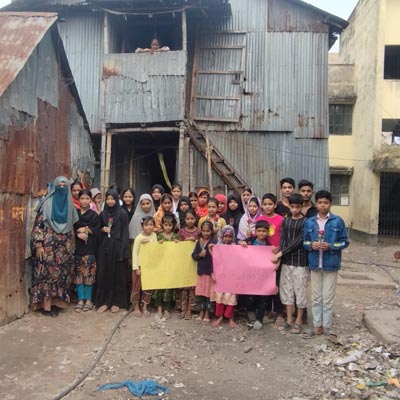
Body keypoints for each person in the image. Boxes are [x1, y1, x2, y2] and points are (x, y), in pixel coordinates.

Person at [303, 190, 349, 338]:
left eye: (326, 203)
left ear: (330, 204)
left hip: (331, 263)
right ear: (316, 203)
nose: (323, 205)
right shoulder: (310, 222)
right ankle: (317, 326)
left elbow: (344, 241)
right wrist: (312, 245)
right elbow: (305, 241)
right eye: (320, 202)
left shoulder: (338, 221)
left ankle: (327, 327)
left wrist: (332, 246)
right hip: (315, 263)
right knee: (316, 297)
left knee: (328, 297)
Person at [30, 176, 78, 317]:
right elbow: (38, 226)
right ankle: (45, 306)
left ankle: (57, 303)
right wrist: (39, 245)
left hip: (64, 249)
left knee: (61, 276)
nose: (62, 187)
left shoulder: (70, 206)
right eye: (59, 185)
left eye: (65, 185)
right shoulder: (46, 204)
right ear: (55, 186)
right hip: (48, 247)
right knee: (46, 275)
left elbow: (74, 227)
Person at [272, 194, 308, 334]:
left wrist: (281, 253)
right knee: (286, 292)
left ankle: (298, 321)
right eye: (292, 206)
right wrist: (280, 256)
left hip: (300, 262)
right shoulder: (285, 221)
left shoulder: (306, 222)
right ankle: (288, 320)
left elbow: (298, 242)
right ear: (289, 206)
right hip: (286, 262)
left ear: (301, 207)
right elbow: (283, 240)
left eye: (297, 207)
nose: (294, 209)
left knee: (300, 292)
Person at [95, 189, 130, 313]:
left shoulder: (123, 214)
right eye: (108, 199)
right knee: (104, 274)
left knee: (117, 275)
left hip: (118, 247)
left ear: (116, 199)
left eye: (112, 199)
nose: (110, 201)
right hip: (104, 249)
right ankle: (104, 301)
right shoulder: (102, 214)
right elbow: (97, 231)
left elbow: (125, 232)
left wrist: (123, 251)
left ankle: (117, 302)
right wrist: (101, 230)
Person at [257, 193, 285, 325]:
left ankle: (279, 312)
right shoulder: (260, 219)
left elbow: (285, 239)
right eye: (265, 204)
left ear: (275, 205)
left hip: (277, 256)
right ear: (261, 205)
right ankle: (267, 310)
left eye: (270, 204)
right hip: (262, 258)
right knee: (264, 284)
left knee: (277, 285)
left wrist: (279, 248)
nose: (267, 207)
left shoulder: (280, 220)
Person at [239, 220, 272, 330]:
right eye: (259, 231)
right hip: (250, 275)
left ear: (267, 232)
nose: (261, 233)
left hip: (263, 277)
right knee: (251, 296)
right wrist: (241, 243)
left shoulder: (269, 246)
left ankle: (259, 319)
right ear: (255, 231)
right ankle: (251, 313)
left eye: (264, 231)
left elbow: (273, 260)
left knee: (263, 297)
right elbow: (238, 248)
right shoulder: (249, 242)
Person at [73, 189, 101, 313]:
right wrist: (77, 233)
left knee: (89, 274)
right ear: (78, 200)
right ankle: (80, 299)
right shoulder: (75, 214)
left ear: (90, 200)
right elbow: (70, 229)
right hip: (77, 249)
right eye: (82, 198)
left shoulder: (94, 215)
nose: (84, 201)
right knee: (78, 275)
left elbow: (98, 231)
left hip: (90, 249)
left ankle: (88, 300)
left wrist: (86, 229)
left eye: (87, 199)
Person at [153, 214, 179, 319]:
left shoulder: (175, 237)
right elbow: (154, 251)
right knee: (160, 287)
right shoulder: (159, 236)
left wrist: (178, 244)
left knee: (169, 287)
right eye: (166, 225)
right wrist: (157, 245)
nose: (168, 227)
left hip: (171, 266)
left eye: (170, 225)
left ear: (173, 225)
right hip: (160, 266)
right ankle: (159, 307)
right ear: (162, 225)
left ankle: (167, 308)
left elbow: (179, 252)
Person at [211, 225, 237, 328]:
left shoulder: (236, 247)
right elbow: (213, 261)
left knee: (231, 297)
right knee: (220, 296)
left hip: (232, 276)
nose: (227, 239)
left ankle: (230, 317)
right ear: (222, 236)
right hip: (220, 276)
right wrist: (213, 273)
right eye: (225, 236)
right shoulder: (217, 247)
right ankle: (220, 316)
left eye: (230, 236)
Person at [192, 221, 217, 325]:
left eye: (208, 231)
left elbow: (218, 259)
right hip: (201, 272)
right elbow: (193, 256)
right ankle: (201, 312)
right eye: (204, 231)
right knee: (201, 293)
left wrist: (213, 271)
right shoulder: (199, 242)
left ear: (211, 231)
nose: (206, 233)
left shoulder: (214, 243)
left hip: (210, 272)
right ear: (201, 231)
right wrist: (200, 255)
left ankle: (207, 313)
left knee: (208, 294)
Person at [131, 216, 157, 317]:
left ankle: (145, 306)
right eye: (146, 225)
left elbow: (155, 249)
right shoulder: (138, 238)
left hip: (149, 266)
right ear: (142, 226)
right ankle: (136, 306)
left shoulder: (154, 235)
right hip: (140, 266)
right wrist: (136, 267)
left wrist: (150, 243)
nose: (149, 227)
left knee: (148, 287)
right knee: (136, 286)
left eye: (151, 225)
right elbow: (135, 253)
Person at [177, 210, 201, 319]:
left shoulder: (199, 232)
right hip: (183, 262)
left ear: (195, 219)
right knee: (183, 286)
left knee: (192, 286)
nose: (190, 221)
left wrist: (195, 240)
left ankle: (190, 309)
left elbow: (202, 244)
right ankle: (182, 308)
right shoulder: (181, 232)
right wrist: (180, 242)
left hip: (194, 263)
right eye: (188, 219)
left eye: (192, 218)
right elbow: (176, 246)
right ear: (184, 220)